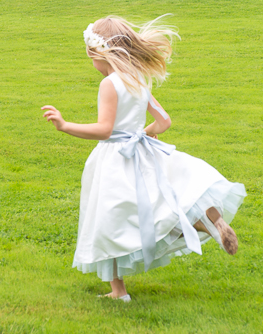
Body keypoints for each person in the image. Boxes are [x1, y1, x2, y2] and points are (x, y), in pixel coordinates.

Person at [41, 16, 246, 302]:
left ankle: (119, 292)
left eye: (91, 57)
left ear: (101, 53)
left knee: (109, 220)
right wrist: (142, 134)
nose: (92, 64)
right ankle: (203, 220)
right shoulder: (138, 78)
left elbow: (105, 129)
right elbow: (164, 121)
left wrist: (65, 125)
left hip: (114, 157)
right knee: (159, 201)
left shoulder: (110, 84)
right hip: (141, 150)